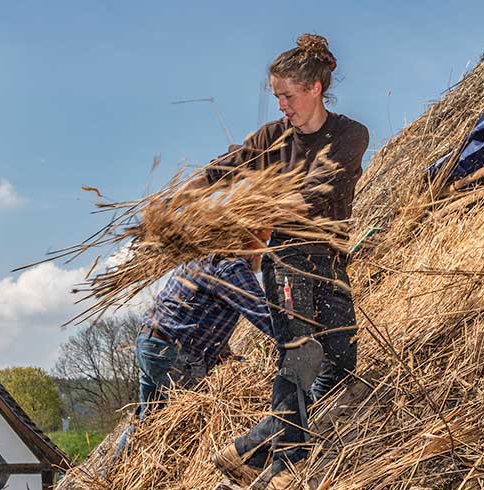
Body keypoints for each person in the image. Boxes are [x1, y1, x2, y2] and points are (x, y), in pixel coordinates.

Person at [188, 33, 370, 488]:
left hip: (329, 257)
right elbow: (228, 164)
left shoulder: (350, 135)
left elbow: (318, 189)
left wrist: (269, 204)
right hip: (286, 259)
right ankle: (285, 465)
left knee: (342, 364)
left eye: (287, 96)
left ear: (313, 89)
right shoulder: (273, 137)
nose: (281, 106)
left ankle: (250, 444)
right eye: (276, 97)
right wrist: (186, 194)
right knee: (299, 356)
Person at [106, 228, 282, 472]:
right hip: (172, 354)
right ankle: (199, 472)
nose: (261, 250)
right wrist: (299, 342)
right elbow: (264, 316)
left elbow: (197, 312)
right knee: (206, 416)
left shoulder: (204, 257)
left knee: (148, 419)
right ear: (244, 238)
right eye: (260, 242)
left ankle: (112, 473)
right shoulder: (232, 267)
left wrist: (220, 352)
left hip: (150, 343)